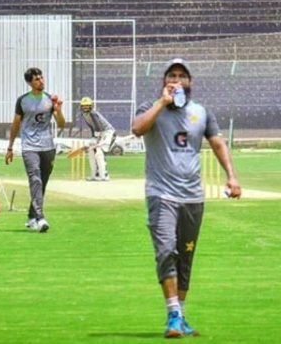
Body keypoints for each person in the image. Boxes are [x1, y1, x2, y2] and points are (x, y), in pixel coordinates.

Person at [131, 57, 241, 338]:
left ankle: (180, 314)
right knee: (166, 250)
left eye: (181, 76)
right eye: (172, 76)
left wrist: (231, 176)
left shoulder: (200, 112)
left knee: (186, 257)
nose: (176, 81)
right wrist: (162, 102)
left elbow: (217, 143)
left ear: (190, 82)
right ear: (164, 81)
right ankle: (172, 313)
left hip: (192, 196)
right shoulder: (150, 108)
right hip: (161, 194)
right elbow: (137, 128)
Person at [5, 67, 65, 232]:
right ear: (30, 82)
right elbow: (15, 124)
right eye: (37, 79)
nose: (41, 81)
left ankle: (31, 216)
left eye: (41, 78)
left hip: (48, 146)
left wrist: (59, 110)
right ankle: (40, 218)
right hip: (29, 146)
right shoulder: (23, 101)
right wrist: (10, 147)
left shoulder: (50, 99)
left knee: (42, 183)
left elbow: (61, 124)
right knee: (35, 180)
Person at [79, 96, 116, 181]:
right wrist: (93, 138)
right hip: (99, 133)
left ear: (91, 106)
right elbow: (92, 126)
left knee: (99, 152)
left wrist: (97, 141)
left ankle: (104, 175)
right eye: (84, 106)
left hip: (108, 132)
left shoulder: (93, 113)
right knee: (91, 152)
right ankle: (94, 174)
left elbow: (99, 127)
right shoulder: (84, 115)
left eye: (87, 105)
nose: (85, 107)